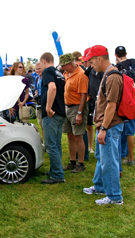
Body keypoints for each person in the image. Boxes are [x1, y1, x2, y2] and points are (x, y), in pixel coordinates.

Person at [82, 45, 124, 205]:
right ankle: (100, 186)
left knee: (109, 161)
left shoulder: (112, 76)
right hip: (104, 126)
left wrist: (104, 129)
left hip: (109, 126)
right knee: (102, 158)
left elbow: (111, 106)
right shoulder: (106, 74)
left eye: (92, 61)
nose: (91, 65)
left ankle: (115, 197)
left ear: (100, 59)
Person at [39, 52, 66, 184]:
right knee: (56, 144)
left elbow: (52, 87)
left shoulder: (48, 71)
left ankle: (57, 175)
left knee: (51, 145)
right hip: (61, 111)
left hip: (52, 113)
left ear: (44, 61)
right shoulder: (59, 73)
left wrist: (48, 108)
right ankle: (55, 169)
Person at [60, 53, 88, 173]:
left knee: (78, 136)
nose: (62, 68)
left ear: (68, 64)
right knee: (70, 135)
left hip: (77, 107)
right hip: (68, 107)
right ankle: (72, 161)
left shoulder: (81, 75)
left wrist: (80, 113)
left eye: (63, 65)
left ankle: (81, 163)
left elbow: (83, 96)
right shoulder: (66, 73)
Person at [34, 61, 44, 134]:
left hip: (46, 101)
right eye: (36, 69)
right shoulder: (37, 78)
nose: (38, 71)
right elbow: (36, 90)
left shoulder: (47, 77)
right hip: (39, 102)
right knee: (41, 124)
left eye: (39, 68)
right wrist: (36, 95)